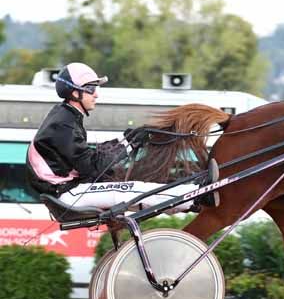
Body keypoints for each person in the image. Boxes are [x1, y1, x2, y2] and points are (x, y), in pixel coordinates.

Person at [26, 62, 217, 215]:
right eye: (91, 88)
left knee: (135, 189)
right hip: (68, 194)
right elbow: (94, 167)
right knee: (131, 189)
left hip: (69, 190)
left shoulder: (65, 117)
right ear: (75, 92)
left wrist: (125, 139)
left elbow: (90, 157)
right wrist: (129, 144)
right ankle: (196, 195)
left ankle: (190, 201)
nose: (97, 94)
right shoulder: (63, 123)